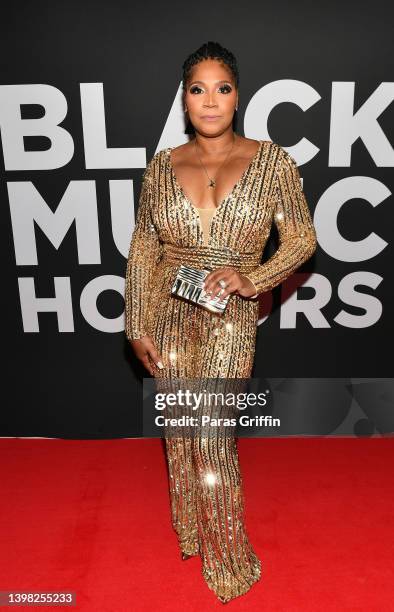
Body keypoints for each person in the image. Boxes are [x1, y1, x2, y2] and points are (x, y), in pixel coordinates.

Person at [124, 41, 317, 604]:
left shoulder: (272, 161)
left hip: (231, 316)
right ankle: (191, 528)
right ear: (186, 100)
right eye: (198, 89)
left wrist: (252, 278)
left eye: (222, 88)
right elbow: (143, 251)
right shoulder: (161, 166)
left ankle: (228, 553)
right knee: (179, 430)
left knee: (211, 433)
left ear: (238, 97)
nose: (210, 101)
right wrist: (137, 324)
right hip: (167, 308)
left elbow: (302, 239)